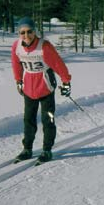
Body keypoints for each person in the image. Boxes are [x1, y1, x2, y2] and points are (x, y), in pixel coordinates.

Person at [11, 17, 71, 164]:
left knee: (48, 119)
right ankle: (27, 149)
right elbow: (16, 64)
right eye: (22, 32)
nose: (26, 35)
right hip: (29, 90)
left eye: (29, 31)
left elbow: (58, 64)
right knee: (28, 120)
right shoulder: (17, 46)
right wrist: (18, 81)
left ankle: (47, 150)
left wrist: (66, 83)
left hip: (46, 88)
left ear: (35, 31)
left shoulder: (44, 46)